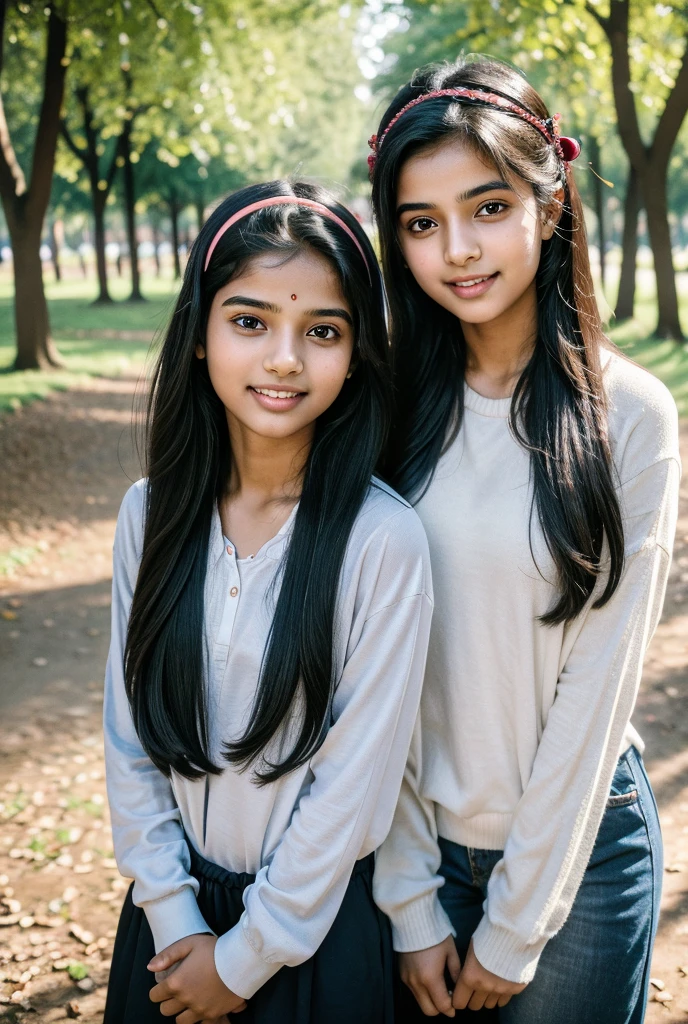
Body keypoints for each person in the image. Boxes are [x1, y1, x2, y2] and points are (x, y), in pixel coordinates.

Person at [369, 56, 680, 1023]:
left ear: (549, 206)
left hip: (578, 860)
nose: (458, 248)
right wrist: (410, 897)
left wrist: (515, 922)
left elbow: (599, 688)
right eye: (422, 223)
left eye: (488, 206)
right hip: (413, 862)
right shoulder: (382, 411)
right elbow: (370, 677)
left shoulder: (629, 415)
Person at [102, 179, 433, 1024]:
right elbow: (129, 737)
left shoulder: (380, 542)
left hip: (314, 936)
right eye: (250, 321)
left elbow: (354, 787)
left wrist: (247, 956)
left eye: (321, 331)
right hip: (165, 932)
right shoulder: (152, 513)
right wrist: (175, 920)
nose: (285, 358)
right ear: (202, 336)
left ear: (356, 353)